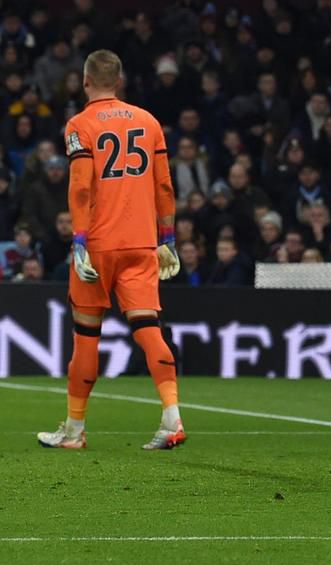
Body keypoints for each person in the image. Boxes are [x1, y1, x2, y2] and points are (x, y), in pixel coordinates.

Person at [36, 50, 185, 452]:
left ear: (85, 81)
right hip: (141, 244)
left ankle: (74, 431)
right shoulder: (148, 121)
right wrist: (168, 239)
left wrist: (79, 239)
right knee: (149, 329)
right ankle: (172, 418)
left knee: (86, 337)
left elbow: (81, 186)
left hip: (98, 245)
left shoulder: (79, 124)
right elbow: (165, 185)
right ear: (118, 82)